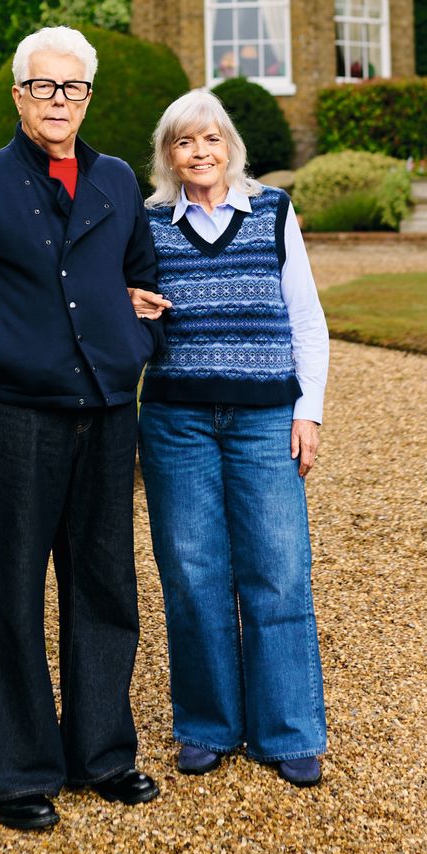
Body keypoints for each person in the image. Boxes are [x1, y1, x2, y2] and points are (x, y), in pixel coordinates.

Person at [0, 25, 164, 833]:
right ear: (21, 94)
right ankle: (15, 771)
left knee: (104, 586)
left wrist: (136, 342)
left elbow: (143, 281)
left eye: (74, 88)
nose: (60, 102)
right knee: (12, 592)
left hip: (103, 414)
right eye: (44, 87)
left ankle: (101, 756)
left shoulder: (119, 181)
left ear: (88, 97)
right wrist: (5, 352)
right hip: (18, 419)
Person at [129, 88, 329, 786]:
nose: (200, 152)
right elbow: (121, 312)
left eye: (211, 139)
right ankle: (207, 727)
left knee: (276, 569)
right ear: (169, 155)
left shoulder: (273, 211)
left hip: (264, 419)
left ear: (230, 147)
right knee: (192, 574)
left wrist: (309, 412)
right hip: (177, 421)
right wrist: (129, 302)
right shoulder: (148, 224)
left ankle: (289, 730)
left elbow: (306, 321)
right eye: (185, 142)